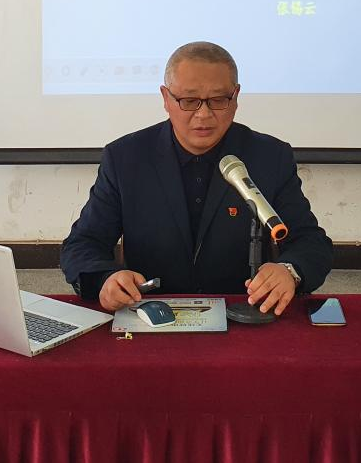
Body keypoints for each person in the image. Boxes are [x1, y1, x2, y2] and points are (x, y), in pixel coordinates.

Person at [60, 41, 333, 316]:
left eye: (218, 100)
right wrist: (105, 279)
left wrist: (290, 271)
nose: (204, 114)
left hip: (243, 313)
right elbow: (83, 244)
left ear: (236, 97)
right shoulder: (125, 158)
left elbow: (310, 242)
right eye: (189, 101)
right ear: (166, 98)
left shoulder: (269, 157)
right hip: (149, 315)